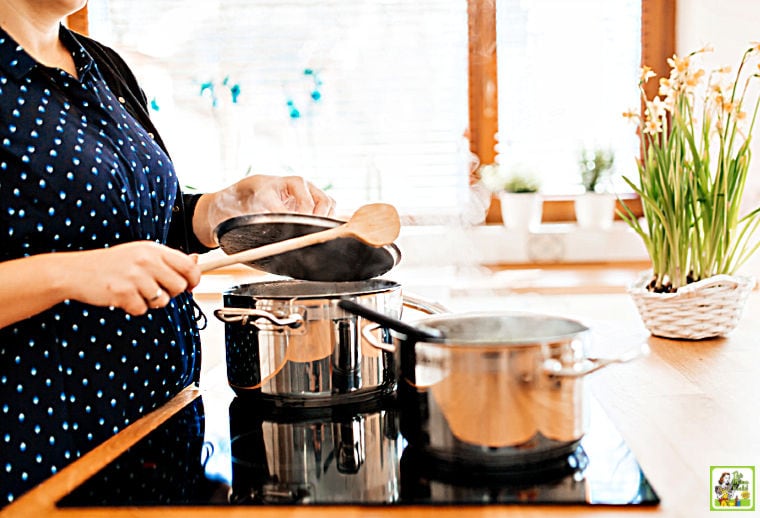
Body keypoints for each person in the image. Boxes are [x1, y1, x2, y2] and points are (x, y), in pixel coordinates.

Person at [0, 0, 335, 506]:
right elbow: (92, 259)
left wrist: (223, 208)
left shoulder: (98, 64)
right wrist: (69, 274)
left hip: (155, 434)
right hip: (43, 460)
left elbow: (135, 226)